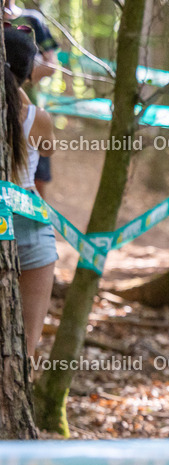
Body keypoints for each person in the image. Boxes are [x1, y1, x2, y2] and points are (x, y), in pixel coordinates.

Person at [6, 25, 56, 356]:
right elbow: (49, 150)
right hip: (32, 224)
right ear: (27, 75)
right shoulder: (37, 118)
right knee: (24, 352)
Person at [5, 1, 58, 201]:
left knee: (36, 177)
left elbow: (52, 65)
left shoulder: (32, 19)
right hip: (24, 98)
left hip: (27, 109)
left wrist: (15, 82)